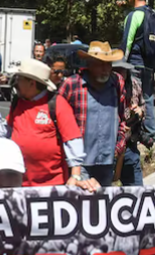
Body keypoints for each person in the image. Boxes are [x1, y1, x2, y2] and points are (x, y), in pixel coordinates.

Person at [6, 59, 94, 189]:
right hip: (19, 182)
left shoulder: (57, 104)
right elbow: (7, 130)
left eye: (19, 78)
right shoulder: (17, 103)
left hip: (51, 185)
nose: (16, 82)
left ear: (32, 83)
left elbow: (73, 140)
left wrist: (75, 176)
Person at [59, 42, 127, 183]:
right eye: (100, 64)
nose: (105, 69)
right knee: (82, 201)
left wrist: (118, 147)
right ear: (89, 64)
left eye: (108, 64)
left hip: (107, 161)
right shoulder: (73, 84)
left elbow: (122, 118)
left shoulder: (116, 83)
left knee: (104, 202)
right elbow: (59, 120)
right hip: (80, 162)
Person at [120, 0, 155, 149]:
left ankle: (133, 132)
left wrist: (121, 65)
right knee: (148, 97)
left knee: (132, 96)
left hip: (135, 64)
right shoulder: (153, 14)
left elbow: (127, 43)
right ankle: (151, 134)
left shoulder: (134, 16)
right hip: (150, 65)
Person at [112, 60, 147, 186]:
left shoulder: (134, 84)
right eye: (117, 70)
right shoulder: (106, 88)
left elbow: (144, 106)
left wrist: (140, 112)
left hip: (129, 145)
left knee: (136, 191)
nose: (121, 74)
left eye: (123, 70)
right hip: (110, 147)